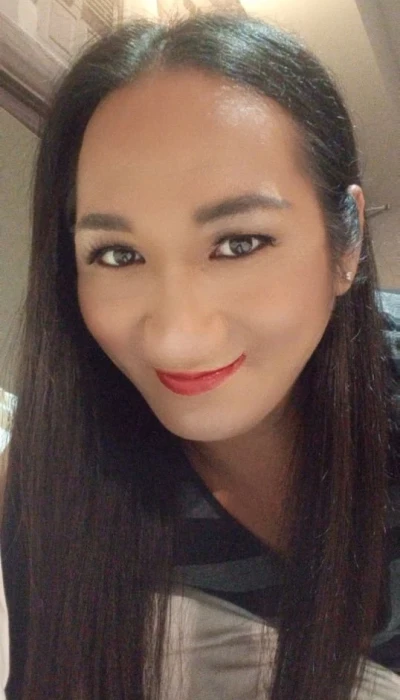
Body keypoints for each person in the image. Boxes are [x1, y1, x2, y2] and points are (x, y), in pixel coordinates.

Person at [1, 10, 399, 700]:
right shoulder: (49, 478)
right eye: (117, 254)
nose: (176, 336)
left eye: (239, 243)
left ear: (348, 243)